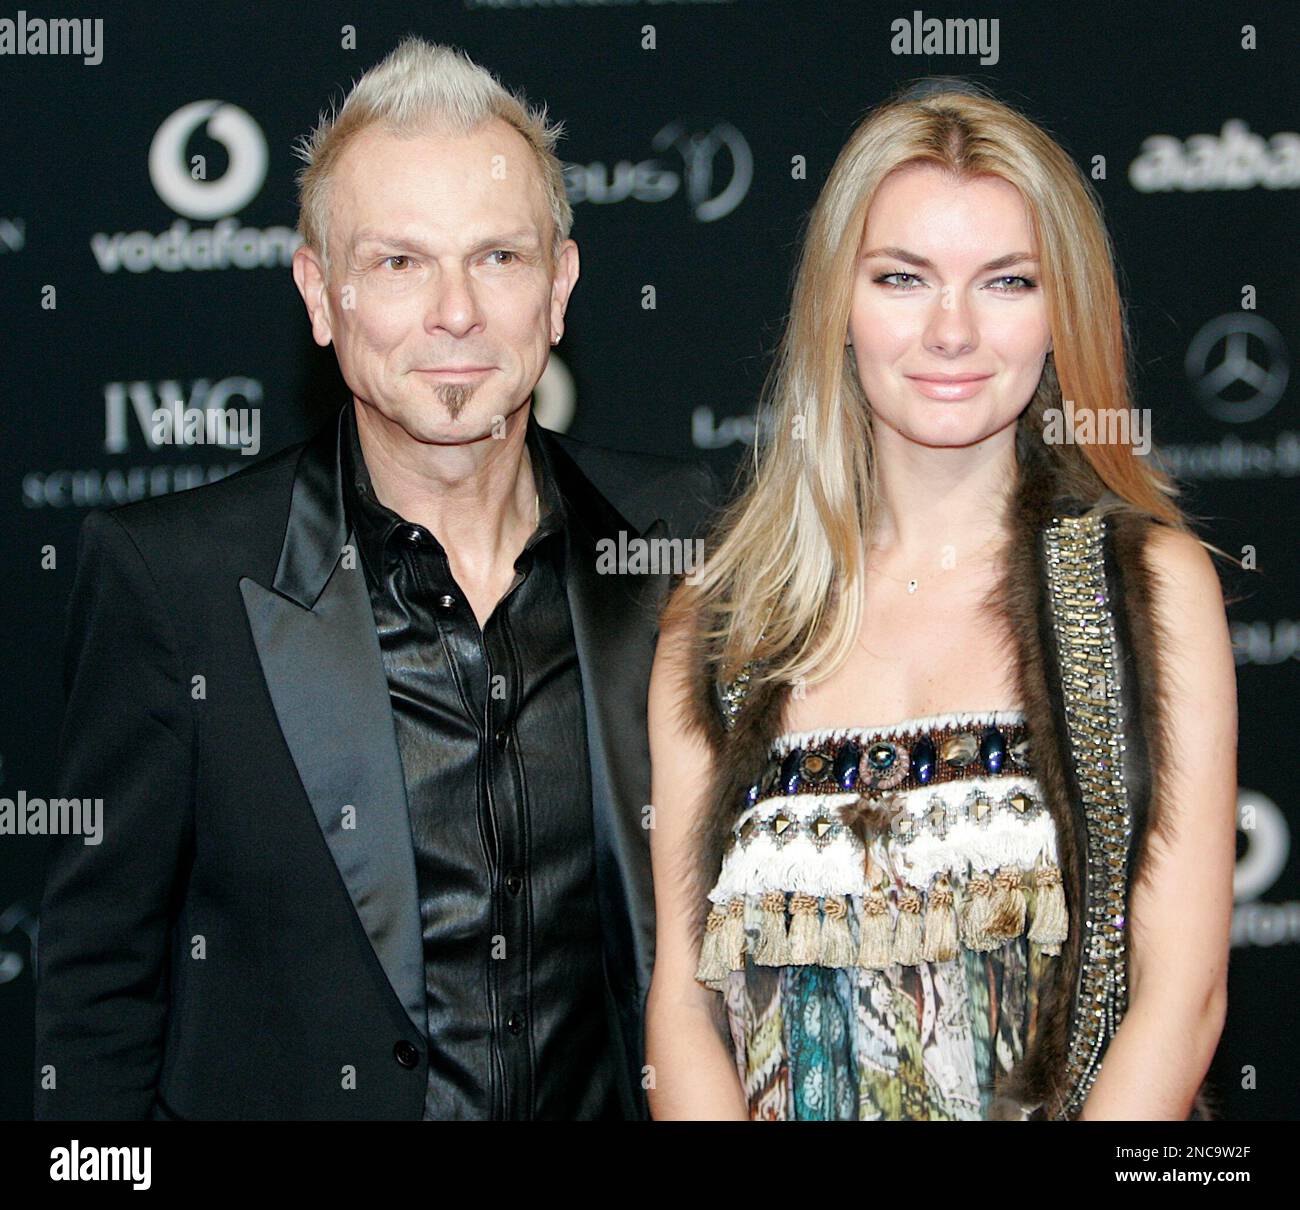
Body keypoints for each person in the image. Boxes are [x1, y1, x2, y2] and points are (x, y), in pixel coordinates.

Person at [34, 37, 717, 1121]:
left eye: (498, 257)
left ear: (560, 288)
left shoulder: (689, 545)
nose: (455, 311)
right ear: (320, 292)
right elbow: (94, 993)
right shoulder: (177, 583)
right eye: (398, 262)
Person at [644, 78, 1236, 1121]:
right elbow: (686, 1012)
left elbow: (1179, 1000)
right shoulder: (723, 624)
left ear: (1062, 311)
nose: (952, 331)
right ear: (838, 301)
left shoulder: (1143, 590)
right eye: (903, 278)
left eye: (1007, 281)